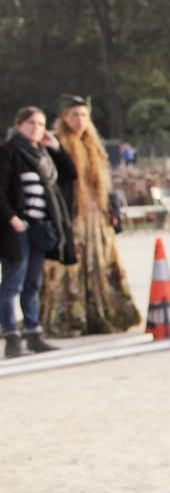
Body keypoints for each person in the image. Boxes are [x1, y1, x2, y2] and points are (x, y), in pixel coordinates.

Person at [43, 95, 141, 337]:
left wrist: (113, 210)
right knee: (71, 268)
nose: (80, 120)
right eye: (74, 115)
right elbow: (66, 176)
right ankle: (72, 316)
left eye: (84, 115)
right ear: (64, 118)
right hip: (73, 216)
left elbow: (106, 183)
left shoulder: (93, 144)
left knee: (101, 264)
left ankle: (103, 311)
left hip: (97, 216)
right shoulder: (56, 144)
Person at [1, 107, 74, 358]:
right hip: (18, 227)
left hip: (40, 227)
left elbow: (69, 174)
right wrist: (12, 218)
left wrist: (56, 147)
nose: (36, 128)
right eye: (31, 123)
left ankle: (33, 333)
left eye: (41, 124)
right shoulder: (9, 151)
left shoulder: (42, 153)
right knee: (13, 282)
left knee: (33, 282)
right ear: (19, 125)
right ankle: (11, 335)